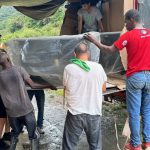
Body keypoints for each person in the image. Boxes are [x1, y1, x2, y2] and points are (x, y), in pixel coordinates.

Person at [85, 9, 150, 150]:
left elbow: (108, 49)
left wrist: (93, 40)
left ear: (132, 20)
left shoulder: (129, 35)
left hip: (135, 77)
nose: (125, 25)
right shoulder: (149, 33)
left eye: (126, 22)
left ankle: (136, 145)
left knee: (134, 112)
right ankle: (148, 142)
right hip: (149, 77)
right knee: (146, 111)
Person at [0, 49, 57, 150]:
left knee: (14, 134)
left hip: (12, 113)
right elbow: (33, 85)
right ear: (9, 59)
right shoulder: (19, 69)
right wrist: (49, 85)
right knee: (32, 136)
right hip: (26, 110)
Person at [62, 42, 107, 150]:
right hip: (94, 112)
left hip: (75, 113)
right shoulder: (98, 68)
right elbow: (103, 88)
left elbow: (65, 88)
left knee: (69, 146)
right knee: (95, 146)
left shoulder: (69, 68)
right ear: (88, 54)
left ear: (74, 54)